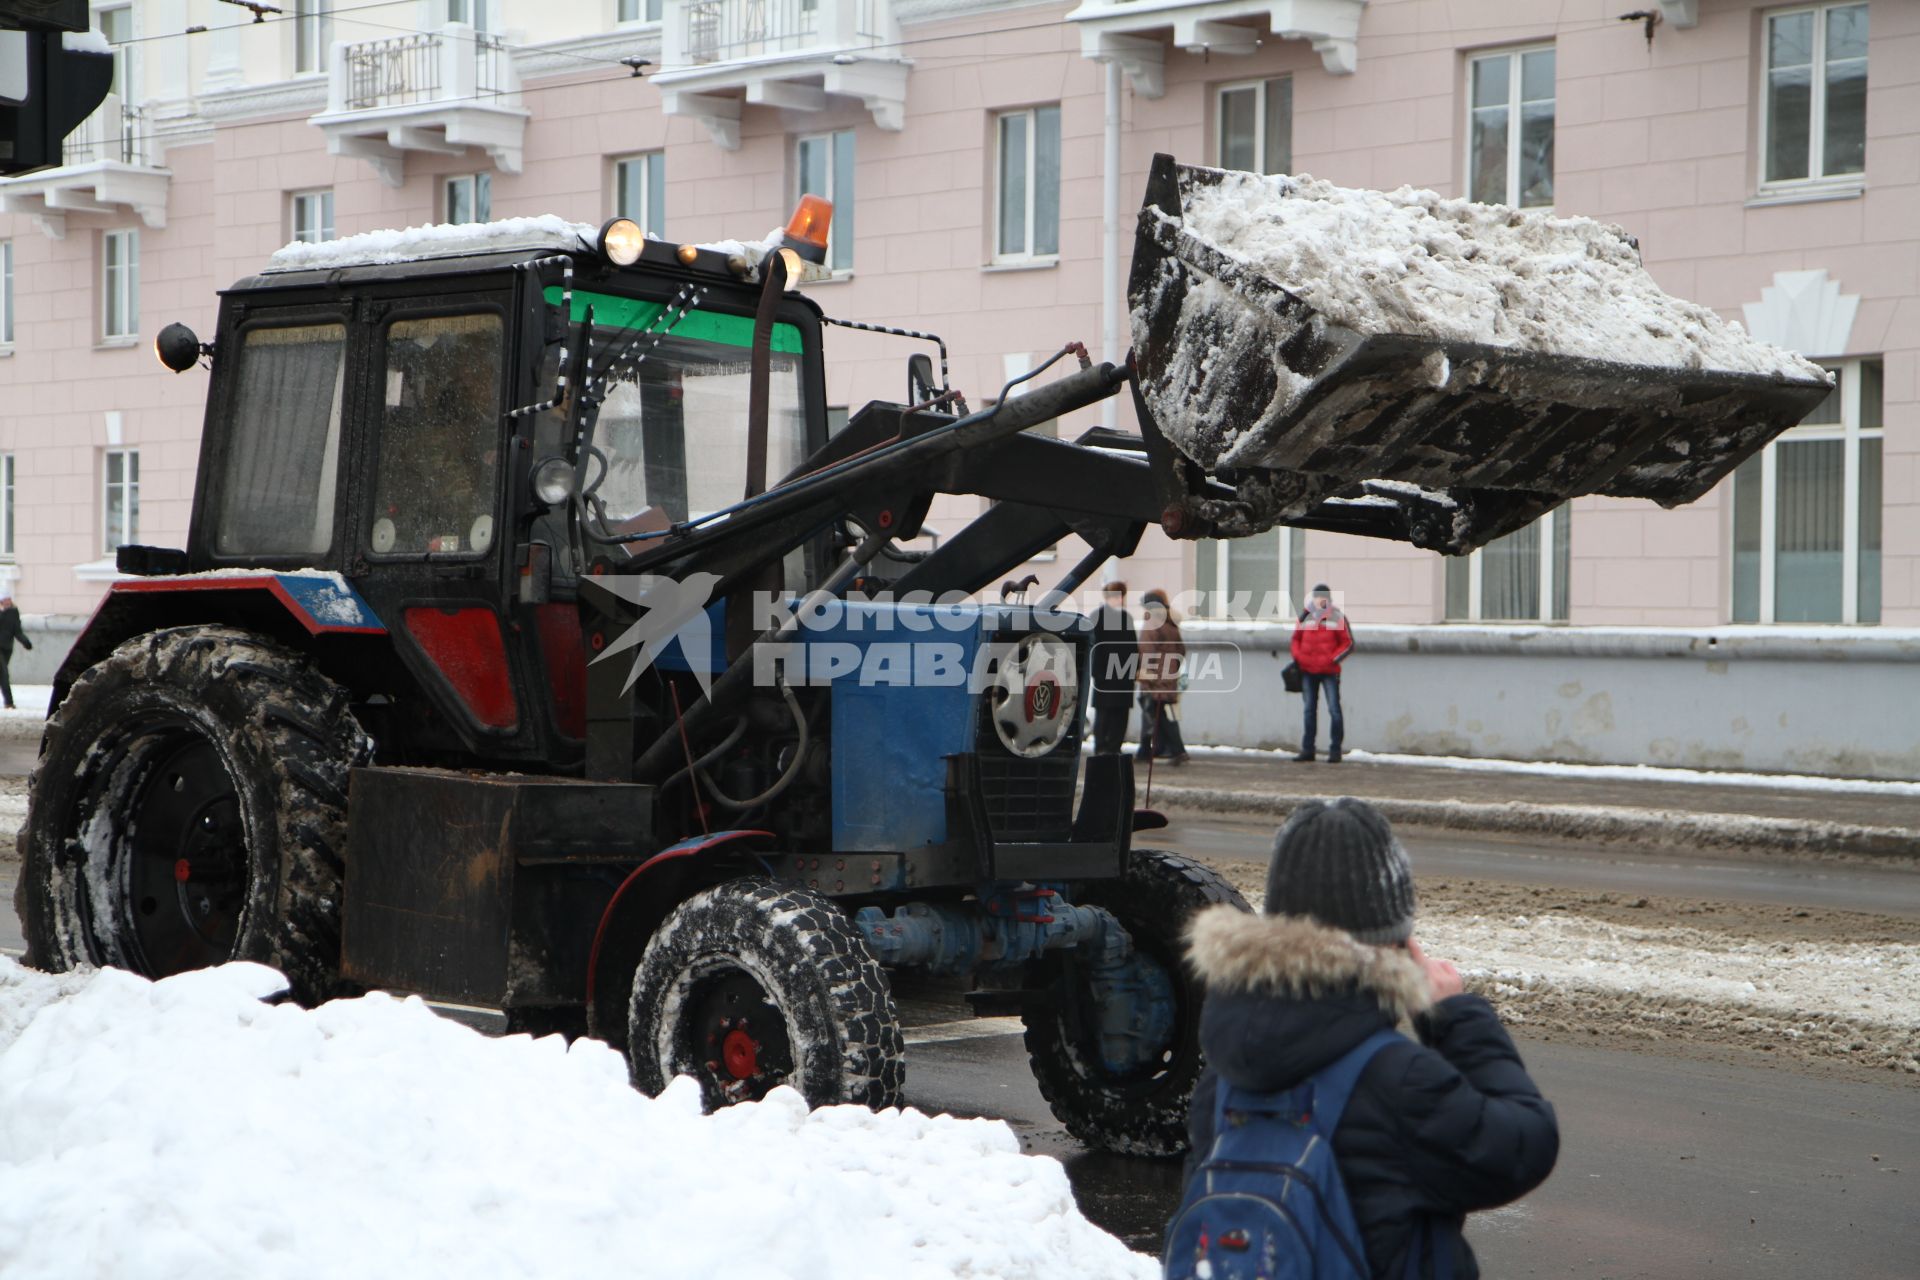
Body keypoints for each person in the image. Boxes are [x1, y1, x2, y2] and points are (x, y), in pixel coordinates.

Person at [1181, 798, 1559, 1278]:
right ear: (1395, 943)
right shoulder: (1398, 1081)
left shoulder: (1222, 1075)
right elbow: (1525, 1144)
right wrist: (1452, 1014)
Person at [1291, 582, 1352, 763]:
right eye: (1317, 596)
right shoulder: (1305, 616)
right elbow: (1295, 640)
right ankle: (1308, 749)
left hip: (1329, 671)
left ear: (1328, 598)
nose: (1320, 600)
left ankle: (1335, 750)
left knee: (1334, 710)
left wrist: (1332, 659)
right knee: (1309, 710)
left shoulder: (1337, 616)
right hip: (1308, 671)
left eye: (1323, 596)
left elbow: (1347, 643)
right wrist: (1299, 657)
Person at [1136, 588, 1188, 765]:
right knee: (1161, 713)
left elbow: (1146, 651)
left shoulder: (1151, 625)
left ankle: (1170, 750)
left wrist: (1145, 674)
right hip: (1168, 676)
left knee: (1154, 714)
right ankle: (1158, 749)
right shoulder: (1171, 625)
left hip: (1154, 678)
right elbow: (1181, 651)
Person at [1090, 581, 1136, 755]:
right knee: (1108, 713)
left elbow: (1132, 647)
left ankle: (1110, 747)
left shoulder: (1125, 617)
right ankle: (1105, 747)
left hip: (1118, 675)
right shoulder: (1099, 616)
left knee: (1115, 713)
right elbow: (1095, 646)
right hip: (1109, 674)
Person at [0, 596, 32, 711]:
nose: (7, 602)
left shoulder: (13, 613)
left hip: (7, 648)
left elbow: (17, 631)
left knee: (1, 675)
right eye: (4, 600)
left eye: (8, 599)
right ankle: (9, 703)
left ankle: (8, 702)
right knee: (4, 675)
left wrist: (25, 642)